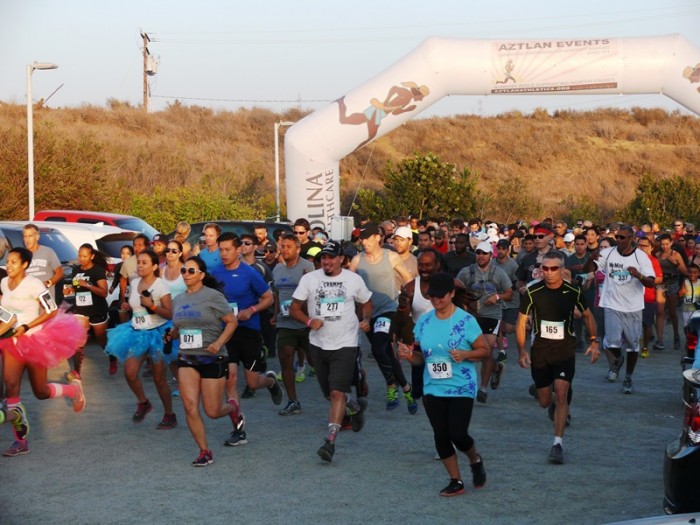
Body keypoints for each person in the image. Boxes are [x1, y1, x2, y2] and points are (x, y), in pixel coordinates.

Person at [397, 272, 488, 497]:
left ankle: (475, 459)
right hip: (433, 387)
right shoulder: (424, 322)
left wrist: (466, 354)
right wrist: (409, 355)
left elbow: (485, 351)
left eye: (441, 296)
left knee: (458, 433)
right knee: (440, 434)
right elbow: (421, 359)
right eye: (432, 296)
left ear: (452, 294)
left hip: (461, 386)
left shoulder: (465, 321)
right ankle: (456, 480)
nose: (436, 300)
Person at [290, 240, 373, 463]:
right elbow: (294, 308)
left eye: (331, 257)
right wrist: (309, 321)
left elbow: (367, 302)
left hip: (346, 342)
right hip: (318, 344)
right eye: (323, 258)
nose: (327, 262)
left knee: (336, 393)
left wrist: (366, 319)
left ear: (341, 260)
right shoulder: (310, 279)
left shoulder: (353, 280)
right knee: (330, 394)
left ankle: (330, 441)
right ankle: (354, 406)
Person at [0, 247, 87, 457]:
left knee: (40, 392)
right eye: (7, 261)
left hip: (34, 340)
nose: (9, 265)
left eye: (13, 262)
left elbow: (51, 311)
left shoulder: (34, 284)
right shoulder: (3, 283)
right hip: (11, 342)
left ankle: (73, 391)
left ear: (25, 265)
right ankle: (20, 441)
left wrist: (27, 327)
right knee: (11, 387)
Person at [516, 251, 601, 464]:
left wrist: (594, 340)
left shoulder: (573, 290)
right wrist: (522, 350)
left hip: (564, 349)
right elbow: (520, 322)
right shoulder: (532, 291)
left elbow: (589, 315)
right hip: (541, 350)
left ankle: (557, 443)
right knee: (545, 402)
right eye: (545, 268)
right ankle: (550, 398)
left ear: (562, 270)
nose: (549, 273)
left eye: (554, 268)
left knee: (562, 393)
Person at [167, 256, 238, 467]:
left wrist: (218, 343)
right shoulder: (178, 299)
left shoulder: (213, 296)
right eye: (183, 271)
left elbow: (231, 322)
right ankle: (204, 451)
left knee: (213, 411)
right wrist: (172, 334)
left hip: (211, 356)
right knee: (189, 405)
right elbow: (181, 327)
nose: (186, 274)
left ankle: (232, 407)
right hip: (187, 357)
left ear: (201, 275)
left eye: (191, 270)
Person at [212, 232, 282, 447]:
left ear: (238, 250)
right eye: (221, 249)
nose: (223, 254)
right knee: (230, 380)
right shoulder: (214, 274)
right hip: (227, 333)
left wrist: (251, 310)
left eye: (227, 249)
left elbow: (268, 297)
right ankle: (238, 429)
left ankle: (269, 381)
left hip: (249, 331)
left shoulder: (249, 273)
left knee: (252, 381)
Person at [349, 222, 417, 413]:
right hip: (368, 314)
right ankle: (406, 387)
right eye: (361, 239)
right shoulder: (357, 260)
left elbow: (409, 279)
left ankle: (391, 385)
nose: (364, 242)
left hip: (389, 310)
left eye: (367, 238)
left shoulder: (391, 256)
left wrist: (407, 301)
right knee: (385, 351)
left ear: (377, 237)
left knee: (379, 348)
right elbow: (347, 285)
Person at [105, 250, 177, 428]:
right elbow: (136, 308)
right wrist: (127, 305)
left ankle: (169, 414)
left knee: (159, 379)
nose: (140, 265)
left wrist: (152, 305)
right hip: (137, 331)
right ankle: (144, 402)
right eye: (138, 262)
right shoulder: (135, 282)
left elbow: (169, 313)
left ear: (154, 266)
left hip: (157, 333)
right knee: (130, 372)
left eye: (144, 262)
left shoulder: (161, 286)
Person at [583, 225, 656, 394]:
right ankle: (618, 359)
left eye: (623, 237)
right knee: (611, 342)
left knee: (632, 346)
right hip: (611, 304)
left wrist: (639, 275)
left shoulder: (641, 257)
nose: (619, 240)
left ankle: (628, 377)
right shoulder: (609, 253)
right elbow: (589, 270)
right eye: (618, 237)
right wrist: (590, 259)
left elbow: (651, 282)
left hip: (633, 307)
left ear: (632, 239)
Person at [456, 241, 513, 403]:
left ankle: (482, 388)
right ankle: (496, 368)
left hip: (492, 316)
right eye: (478, 252)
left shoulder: (499, 272)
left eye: (484, 253)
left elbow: (510, 293)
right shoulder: (466, 272)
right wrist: (466, 303)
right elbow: (456, 290)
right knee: (470, 350)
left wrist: (497, 297)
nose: (481, 256)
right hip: (471, 316)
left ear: (490, 255)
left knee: (486, 351)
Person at [272, 233, 315, 416]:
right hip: (285, 322)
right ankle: (292, 401)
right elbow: (276, 294)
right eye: (282, 246)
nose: (285, 250)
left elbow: (315, 294)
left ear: (298, 249)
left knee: (316, 362)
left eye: (289, 246)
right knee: (286, 358)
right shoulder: (277, 270)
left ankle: (338, 397)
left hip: (306, 323)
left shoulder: (308, 267)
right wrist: (275, 314)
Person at [65, 244, 111, 380]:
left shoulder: (98, 271)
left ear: (92, 256)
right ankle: (76, 372)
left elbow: (103, 292)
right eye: (80, 255)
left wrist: (88, 285)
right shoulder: (76, 271)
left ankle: (112, 357)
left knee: (102, 341)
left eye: (85, 256)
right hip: (81, 309)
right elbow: (77, 288)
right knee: (78, 342)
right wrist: (70, 291)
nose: (81, 259)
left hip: (97, 309)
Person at [161, 240, 187, 395]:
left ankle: (187, 383)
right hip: (164, 316)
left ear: (180, 253)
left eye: (174, 251)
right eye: (168, 250)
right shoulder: (160, 270)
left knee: (183, 352)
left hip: (183, 316)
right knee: (168, 351)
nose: (170, 254)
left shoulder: (186, 270)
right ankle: (180, 383)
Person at [655, 233, 687, 350]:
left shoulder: (676, 254)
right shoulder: (658, 254)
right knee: (659, 312)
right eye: (662, 244)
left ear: (671, 243)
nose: (664, 246)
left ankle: (676, 335)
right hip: (661, 283)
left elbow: (685, 271)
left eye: (667, 244)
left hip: (673, 282)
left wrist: (676, 263)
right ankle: (660, 340)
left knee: (673, 312)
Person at [22, 224, 64, 302]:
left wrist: (49, 282)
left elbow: (60, 272)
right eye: (25, 236)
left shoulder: (48, 252)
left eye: (30, 236)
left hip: (47, 300)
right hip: (28, 302)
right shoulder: (21, 255)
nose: (27, 240)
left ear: (37, 237)